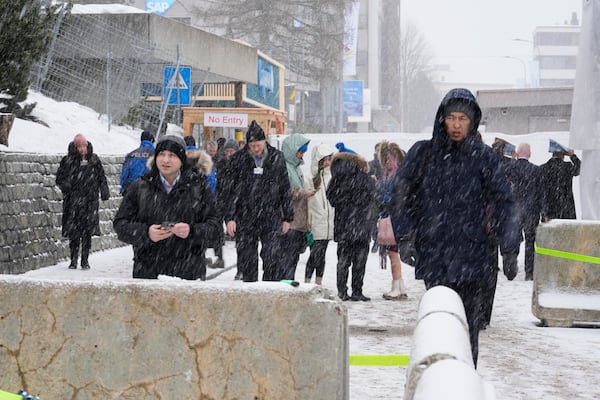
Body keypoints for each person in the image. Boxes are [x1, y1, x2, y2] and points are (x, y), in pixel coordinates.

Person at [390, 88, 520, 367]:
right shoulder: (423, 154)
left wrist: (509, 248)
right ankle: (440, 379)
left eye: (463, 118)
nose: (457, 124)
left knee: (469, 327)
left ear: (472, 122)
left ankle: (465, 379)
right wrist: (405, 236)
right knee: (439, 322)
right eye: (452, 118)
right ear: (442, 119)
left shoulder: (483, 157)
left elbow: (503, 202)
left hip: (473, 257)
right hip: (435, 254)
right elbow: (400, 195)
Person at [113, 135, 221, 280]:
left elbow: (216, 228)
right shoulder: (140, 187)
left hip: (188, 274)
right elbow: (120, 225)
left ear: (181, 159)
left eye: (172, 155)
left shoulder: (199, 187)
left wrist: (192, 231)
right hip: (148, 272)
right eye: (161, 154)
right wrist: (146, 233)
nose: (165, 160)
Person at [224, 120, 293, 282]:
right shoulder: (238, 160)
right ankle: (251, 290)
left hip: (271, 214)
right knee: (247, 258)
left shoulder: (277, 157)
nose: (256, 149)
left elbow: (285, 188)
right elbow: (230, 191)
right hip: (245, 215)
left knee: (272, 256)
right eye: (252, 145)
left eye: (258, 145)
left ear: (264, 141)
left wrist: (287, 217)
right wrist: (230, 217)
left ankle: (269, 290)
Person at [326, 151, 376, 301]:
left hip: (343, 226)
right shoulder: (365, 178)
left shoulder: (336, 179)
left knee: (343, 261)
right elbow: (373, 199)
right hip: (362, 225)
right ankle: (357, 291)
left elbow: (332, 199)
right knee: (359, 262)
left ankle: (342, 292)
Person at [56, 133, 110, 269]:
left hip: (90, 202)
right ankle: (73, 260)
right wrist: (67, 187)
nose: (81, 149)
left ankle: (84, 260)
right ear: (75, 147)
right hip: (72, 202)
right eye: (79, 146)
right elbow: (59, 179)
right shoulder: (67, 160)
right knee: (74, 232)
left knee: (87, 232)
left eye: (83, 146)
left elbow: (101, 177)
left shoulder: (94, 160)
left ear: (87, 145)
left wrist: (104, 191)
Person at [504, 143, 546, 281]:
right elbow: (541, 193)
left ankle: (510, 268)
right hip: (531, 210)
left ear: (517, 153)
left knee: (513, 239)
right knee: (530, 241)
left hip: (513, 210)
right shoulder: (537, 170)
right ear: (529, 154)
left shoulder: (508, 168)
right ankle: (529, 271)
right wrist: (543, 211)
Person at [184, 135, 224, 269]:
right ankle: (205, 257)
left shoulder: (179, 157)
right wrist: (208, 197)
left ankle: (189, 258)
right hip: (202, 202)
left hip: (184, 202)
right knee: (204, 230)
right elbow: (212, 180)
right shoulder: (202, 159)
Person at [376, 141, 408, 300]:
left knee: (392, 253)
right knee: (392, 253)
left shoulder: (396, 176)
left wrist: (384, 200)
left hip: (394, 219)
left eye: (389, 158)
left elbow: (394, 197)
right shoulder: (397, 174)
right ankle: (399, 285)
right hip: (395, 217)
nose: (387, 162)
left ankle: (397, 285)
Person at [280, 133, 314, 280]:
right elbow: (284, 191)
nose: (301, 155)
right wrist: (302, 193)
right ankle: (286, 283)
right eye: (300, 152)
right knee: (288, 258)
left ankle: (289, 281)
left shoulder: (296, 168)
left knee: (293, 258)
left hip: (298, 221)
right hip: (290, 221)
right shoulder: (285, 168)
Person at [305, 144, 336, 285]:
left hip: (328, 223)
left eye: (329, 159)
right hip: (315, 222)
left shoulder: (332, 177)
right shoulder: (310, 178)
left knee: (321, 255)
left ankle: (318, 283)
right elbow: (307, 203)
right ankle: (307, 282)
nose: (327, 162)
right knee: (314, 255)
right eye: (324, 159)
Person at [541, 148, 581, 220]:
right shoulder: (567, 167)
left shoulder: (543, 168)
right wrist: (572, 156)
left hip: (549, 208)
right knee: (567, 230)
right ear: (563, 156)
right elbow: (580, 168)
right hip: (566, 208)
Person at [119, 130, 155, 195]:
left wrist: (123, 188)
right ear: (152, 140)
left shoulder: (131, 155)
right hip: (148, 190)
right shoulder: (157, 155)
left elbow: (124, 174)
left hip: (131, 189)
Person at [368, 142, 384, 253]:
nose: (379, 152)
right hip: (373, 197)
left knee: (384, 221)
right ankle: (376, 239)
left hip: (385, 197)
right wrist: (370, 178)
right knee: (372, 220)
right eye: (377, 150)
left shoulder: (387, 164)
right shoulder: (370, 164)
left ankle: (383, 241)